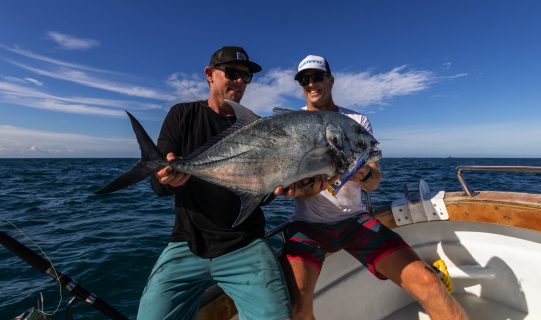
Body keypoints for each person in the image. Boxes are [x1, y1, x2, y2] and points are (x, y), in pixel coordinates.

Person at [136, 46, 327, 320]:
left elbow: (263, 189)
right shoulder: (182, 115)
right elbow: (159, 186)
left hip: (245, 243)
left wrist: (284, 185)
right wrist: (167, 178)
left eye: (246, 78)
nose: (239, 81)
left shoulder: (261, 129)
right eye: (233, 73)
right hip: (187, 244)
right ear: (209, 74)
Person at [282, 55, 469, 320]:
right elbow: (298, 186)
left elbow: (375, 181)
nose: (311, 83)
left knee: (429, 282)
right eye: (304, 79)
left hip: (355, 221)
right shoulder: (292, 123)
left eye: (317, 77)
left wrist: (360, 173)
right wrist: (301, 188)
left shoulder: (357, 121)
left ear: (330, 80)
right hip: (307, 226)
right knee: (297, 309)